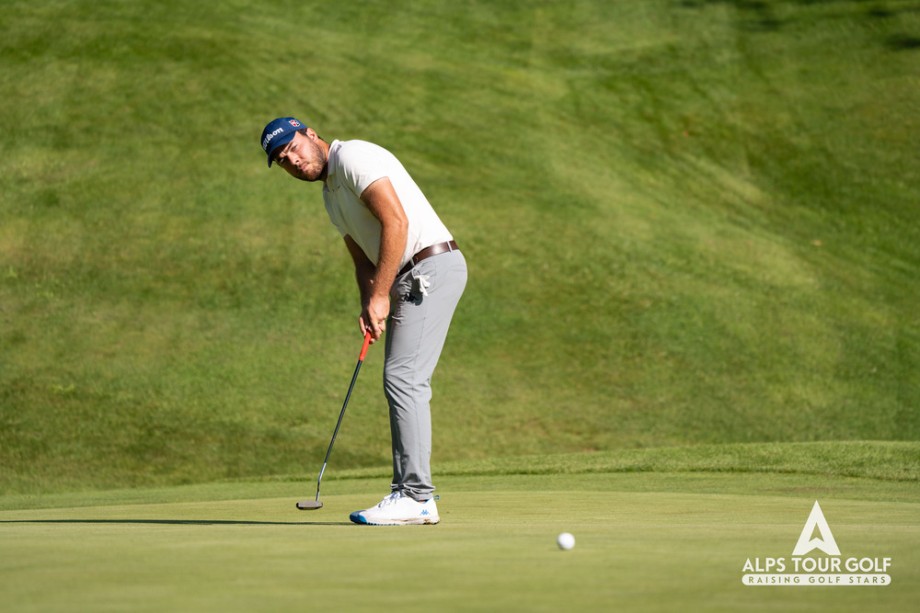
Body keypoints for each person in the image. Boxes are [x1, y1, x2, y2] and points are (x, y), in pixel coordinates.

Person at [260, 117, 467, 525]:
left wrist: (379, 295)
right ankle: (411, 493)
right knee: (402, 378)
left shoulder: (353, 157)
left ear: (312, 135)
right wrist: (367, 302)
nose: (294, 161)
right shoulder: (330, 194)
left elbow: (397, 222)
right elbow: (361, 259)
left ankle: (416, 496)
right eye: (283, 160)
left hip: (429, 266)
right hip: (409, 275)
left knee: (404, 378)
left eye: (294, 148)